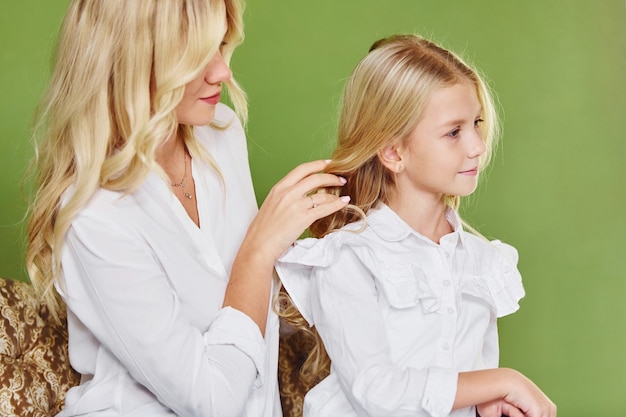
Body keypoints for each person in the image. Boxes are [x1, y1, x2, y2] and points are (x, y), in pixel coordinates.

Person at [25, 0, 350, 416]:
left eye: (219, 46)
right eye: (195, 57)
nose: (222, 71)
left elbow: (258, 314)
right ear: (129, 62)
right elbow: (212, 401)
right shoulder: (94, 216)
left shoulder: (220, 133)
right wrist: (256, 253)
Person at [275, 34, 557, 417]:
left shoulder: (484, 263)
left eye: (476, 123)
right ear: (393, 152)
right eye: (454, 131)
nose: (477, 145)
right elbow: (375, 390)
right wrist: (502, 382)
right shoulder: (349, 257)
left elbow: (468, 387)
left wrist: (486, 402)